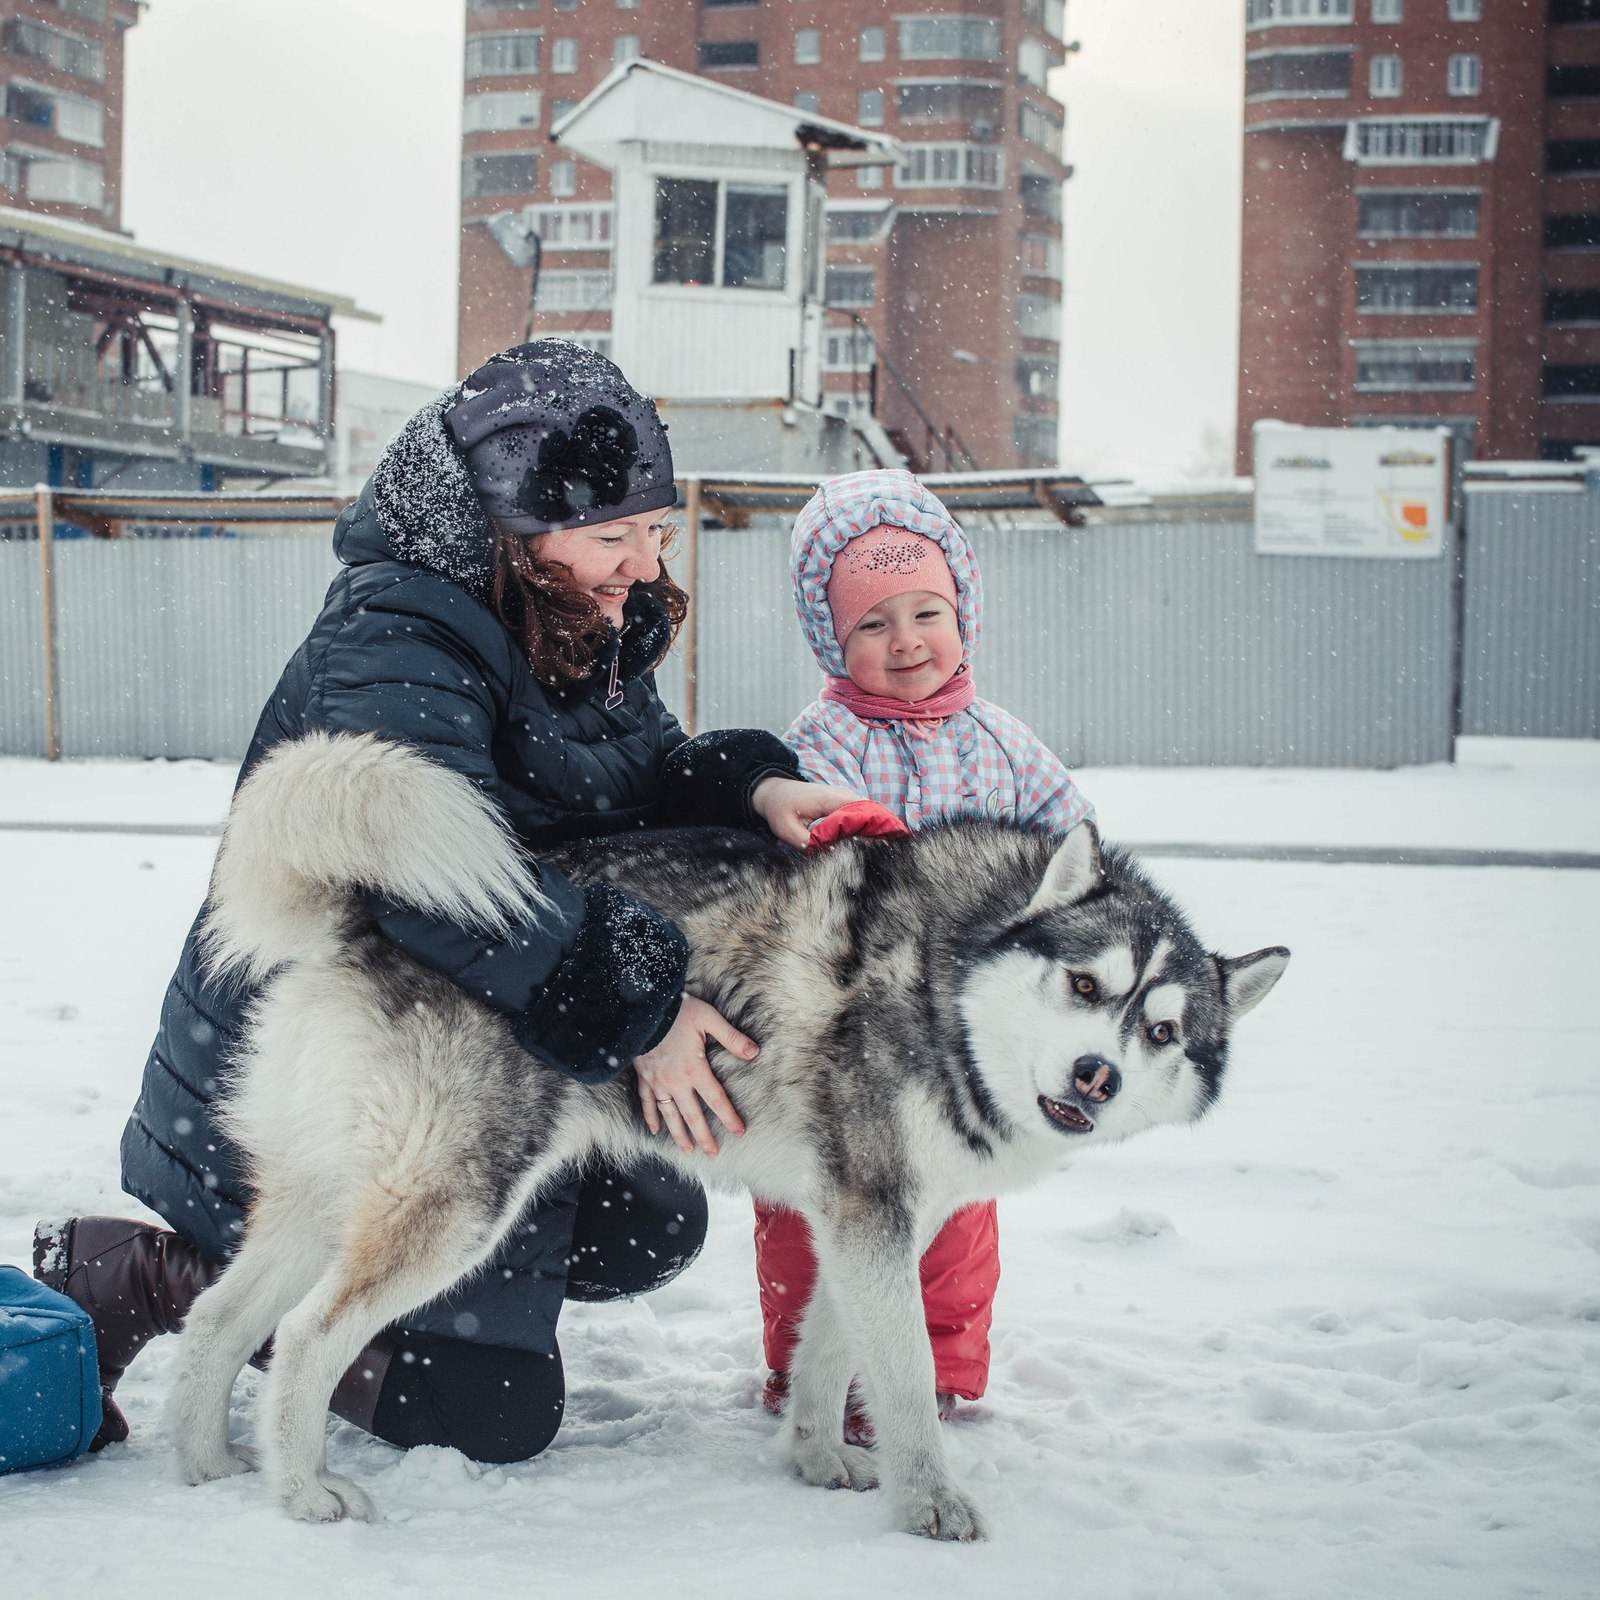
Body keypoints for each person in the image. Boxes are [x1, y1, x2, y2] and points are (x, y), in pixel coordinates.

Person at [33, 339, 855, 1462]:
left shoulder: (581, 614)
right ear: (518, 525)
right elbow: (434, 895)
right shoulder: (398, 630)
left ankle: (436, 1280)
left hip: (485, 1034)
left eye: (655, 531)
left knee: (648, 1221)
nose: (643, 563)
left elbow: (635, 782)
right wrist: (645, 1011)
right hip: (353, 1047)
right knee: (486, 1419)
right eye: (614, 534)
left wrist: (750, 786)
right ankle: (146, 1271)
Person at [754, 467, 1097, 1439]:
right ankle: (807, 1378)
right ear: (831, 636)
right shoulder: (820, 744)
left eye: (925, 612)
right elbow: (809, 876)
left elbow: (1073, 850)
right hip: (848, 1034)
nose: (905, 641)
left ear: (963, 612)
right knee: (817, 1205)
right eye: (872, 624)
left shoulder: (1006, 745)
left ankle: (933, 1373)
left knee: (951, 1212)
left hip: (970, 1042)